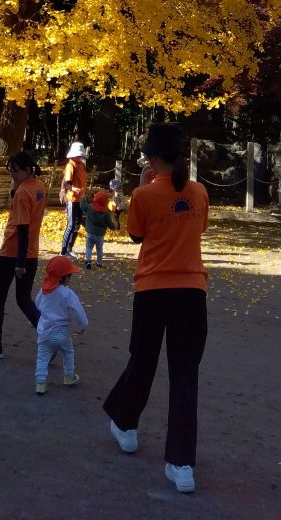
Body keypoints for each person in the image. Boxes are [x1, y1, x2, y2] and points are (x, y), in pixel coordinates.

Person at [103, 122, 209, 495]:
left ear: (152, 157)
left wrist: (148, 188)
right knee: (184, 375)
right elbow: (200, 229)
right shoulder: (199, 193)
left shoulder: (143, 195)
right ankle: (182, 465)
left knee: (142, 360)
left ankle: (126, 423)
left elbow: (136, 234)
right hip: (192, 291)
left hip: (152, 289)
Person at [0, 151, 46, 359]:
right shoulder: (39, 187)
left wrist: (19, 262)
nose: (12, 175)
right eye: (10, 170)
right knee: (23, 299)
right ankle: (50, 339)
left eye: (15, 171)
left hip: (12, 253)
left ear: (27, 170)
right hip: (31, 252)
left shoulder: (22, 193)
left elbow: (22, 229)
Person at [34, 255, 88, 395]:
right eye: (69, 276)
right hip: (62, 332)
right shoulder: (67, 293)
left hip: (44, 332)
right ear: (63, 278)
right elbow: (77, 310)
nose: (70, 279)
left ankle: (40, 384)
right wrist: (83, 325)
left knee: (42, 358)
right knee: (68, 353)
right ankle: (69, 376)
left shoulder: (43, 291)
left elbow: (37, 304)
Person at [60, 141, 88, 259]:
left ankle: (70, 249)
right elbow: (67, 184)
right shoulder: (70, 165)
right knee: (70, 225)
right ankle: (63, 251)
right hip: (72, 199)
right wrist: (73, 189)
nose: (80, 156)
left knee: (77, 225)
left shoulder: (81, 165)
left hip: (80, 199)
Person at [81, 189, 119, 269]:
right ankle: (99, 263)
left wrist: (83, 198)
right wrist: (114, 226)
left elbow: (82, 206)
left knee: (88, 247)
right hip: (100, 235)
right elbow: (109, 223)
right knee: (99, 249)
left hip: (90, 233)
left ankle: (88, 260)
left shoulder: (90, 207)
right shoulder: (106, 213)